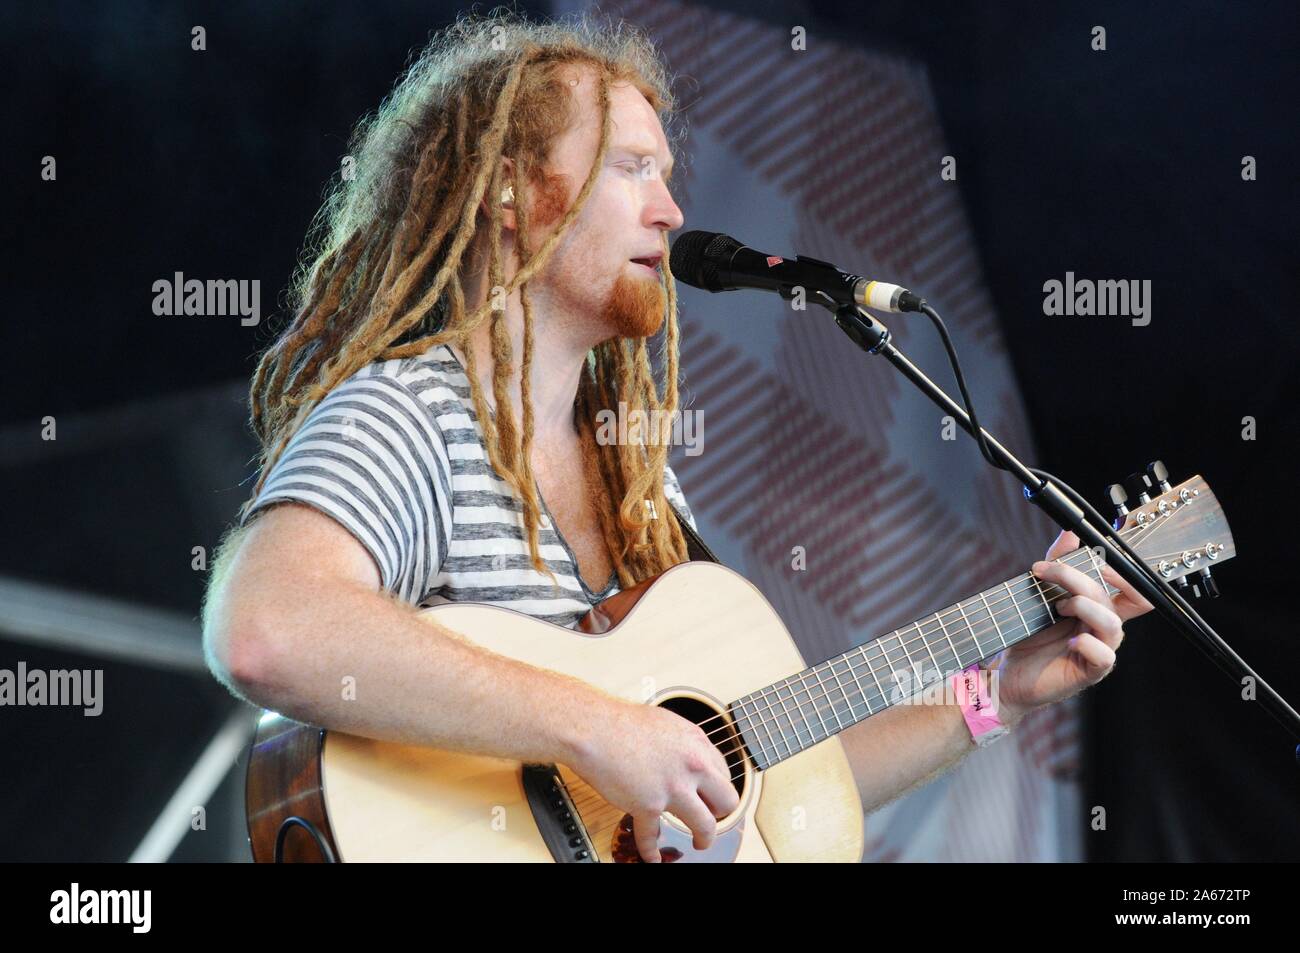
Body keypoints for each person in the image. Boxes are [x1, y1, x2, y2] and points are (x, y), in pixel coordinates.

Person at [201, 11, 1153, 862]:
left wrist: (1002, 692)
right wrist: (598, 729)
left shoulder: (634, 484)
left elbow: (777, 789)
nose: (673, 209)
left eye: (665, 171)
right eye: (632, 169)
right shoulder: (408, 412)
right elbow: (266, 631)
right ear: (505, 192)